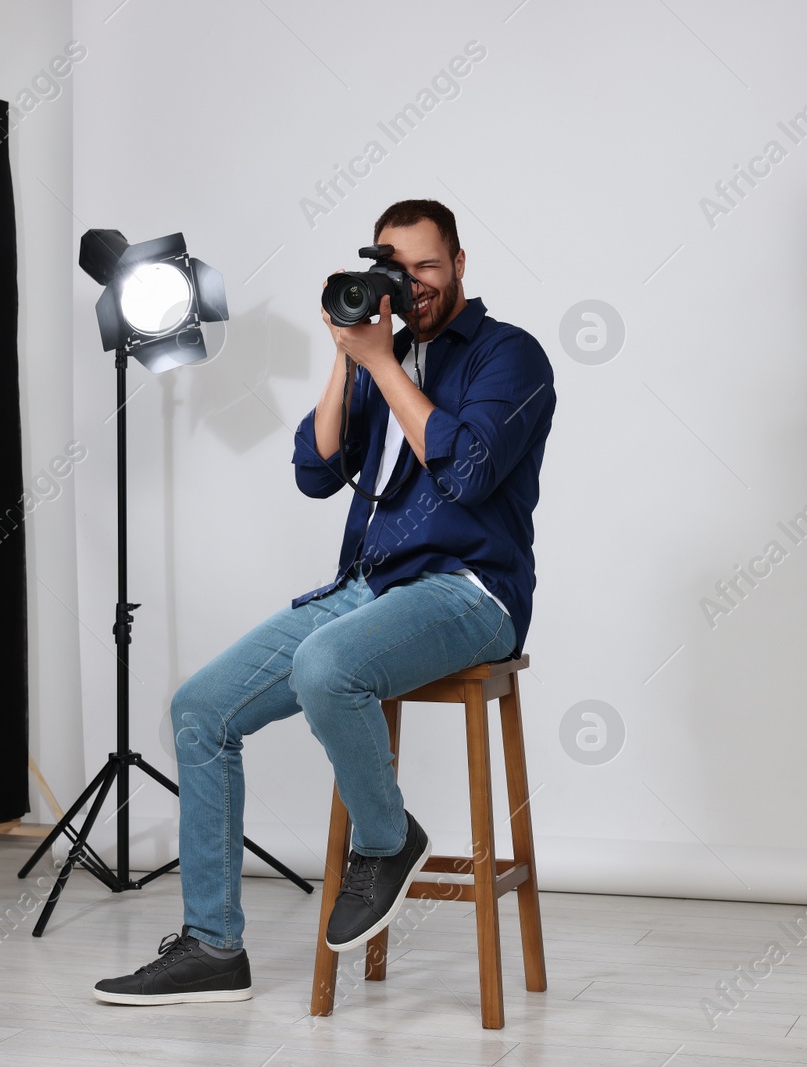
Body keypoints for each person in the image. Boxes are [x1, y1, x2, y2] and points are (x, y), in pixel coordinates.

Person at [94, 199, 555, 1005]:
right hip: (366, 589)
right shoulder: (383, 347)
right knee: (200, 708)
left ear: (459, 265)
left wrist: (382, 364)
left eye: (427, 267)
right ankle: (212, 944)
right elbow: (316, 469)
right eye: (394, 267)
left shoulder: (509, 356)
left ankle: (387, 839)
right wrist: (350, 353)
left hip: (472, 592)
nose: (411, 285)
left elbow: (470, 471)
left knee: (325, 664)